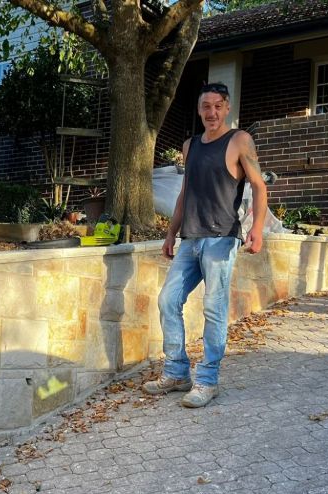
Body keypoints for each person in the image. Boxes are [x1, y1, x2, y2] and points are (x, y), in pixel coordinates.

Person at [142, 82, 268, 408]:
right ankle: (176, 373)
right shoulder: (191, 145)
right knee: (168, 300)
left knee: (213, 308)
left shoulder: (239, 140)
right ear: (199, 110)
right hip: (190, 239)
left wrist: (256, 229)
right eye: (205, 106)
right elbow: (186, 192)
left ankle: (208, 381)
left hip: (221, 239)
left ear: (227, 108)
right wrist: (171, 233)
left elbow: (259, 185)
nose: (211, 112)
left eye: (217, 106)